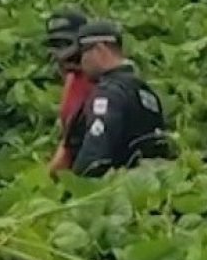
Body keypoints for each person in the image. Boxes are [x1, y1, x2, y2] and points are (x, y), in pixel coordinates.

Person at [70, 20, 170, 177]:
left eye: (82, 54)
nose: (81, 63)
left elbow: (94, 156)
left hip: (115, 189)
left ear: (100, 49)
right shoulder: (147, 92)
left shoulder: (108, 92)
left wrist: (73, 188)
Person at [43, 8, 94, 176]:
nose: (59, 53)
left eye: (64, 44)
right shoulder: (71, 80)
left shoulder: (102, 80)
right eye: (54, 45)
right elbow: (66, 143)